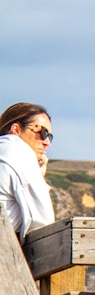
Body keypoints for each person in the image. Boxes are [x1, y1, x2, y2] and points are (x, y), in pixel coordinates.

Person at [0, 102, 55, 243]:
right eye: (42, 132)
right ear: (16, 129)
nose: (46, 142)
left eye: (49, 136)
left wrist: (38, 175)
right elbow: (42, 220)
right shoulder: (16, 149)